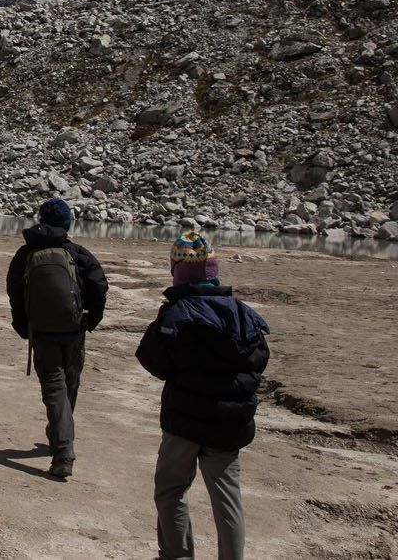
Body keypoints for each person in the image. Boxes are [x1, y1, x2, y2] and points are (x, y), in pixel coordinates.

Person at [136, 232, 270, 560]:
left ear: (177, 272)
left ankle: (177, 555)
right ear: (214, 271)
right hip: (228, 425)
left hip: (183, 423)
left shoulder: (175, 314)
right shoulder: (243, 314)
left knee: (171, 491)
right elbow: (258, 361)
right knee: (227, 500)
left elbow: (152, 360)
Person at [5, 197, 108, 481]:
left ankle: (62, 447)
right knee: (69, 383)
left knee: (54, 387)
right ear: (66, 223)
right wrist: (92, 320)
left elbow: (14, 292)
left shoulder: (25, 254)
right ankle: (62, 443)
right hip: (74, 330)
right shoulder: (77, 252)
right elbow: (99, 285)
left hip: (42, 332)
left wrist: (24, 326)